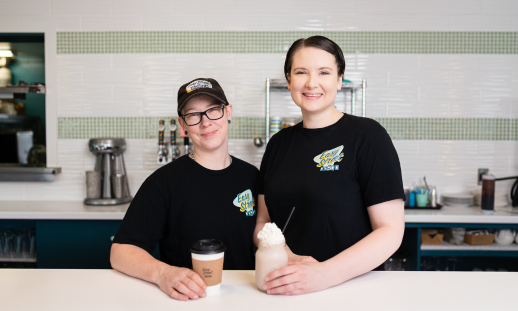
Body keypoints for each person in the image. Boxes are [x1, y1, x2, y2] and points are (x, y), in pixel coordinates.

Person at [254, 36, 405, 296]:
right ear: (289, 79)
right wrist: (288, 259)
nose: (312, 83)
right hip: (288, 287)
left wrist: (325, 274)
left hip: (354, 289)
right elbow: (263, 222)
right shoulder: (278, 144)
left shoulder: (368, 136)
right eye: (301, 72)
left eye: (324, 72)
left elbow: (390, 230)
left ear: (339, 80)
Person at [111, 78, 258, 301]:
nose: (205, 122)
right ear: (183, 125)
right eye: (193, 115)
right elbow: (120, 252)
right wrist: (163, 273)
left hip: (247, 299)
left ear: (228, 113)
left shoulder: (253, 177)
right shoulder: (164, 182)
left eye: (213, 110)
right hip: (187, 300)